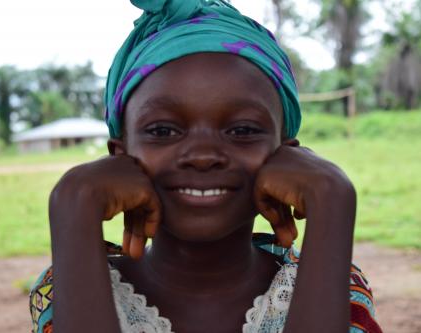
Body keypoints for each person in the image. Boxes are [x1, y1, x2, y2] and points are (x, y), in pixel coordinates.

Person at [29, 0, 382, 332]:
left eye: (242, 130)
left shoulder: (335, 288)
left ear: (286, 156)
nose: (202, 154)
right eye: (163, 130)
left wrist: (331, 200)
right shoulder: (72, 288)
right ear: (119, 157)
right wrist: (74, 205)